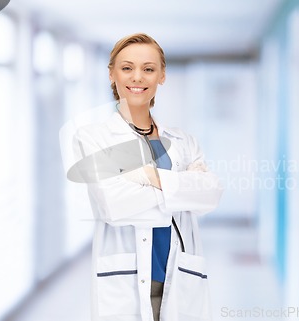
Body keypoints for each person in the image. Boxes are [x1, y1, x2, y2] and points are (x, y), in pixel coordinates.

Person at [70, 33, 223, 321]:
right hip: (125, 280)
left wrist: (149, 177)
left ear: (162, 75)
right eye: (127, 68)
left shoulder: (182, 141)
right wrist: (182, 189)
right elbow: (113, 205)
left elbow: (210, 194)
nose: (137, 77)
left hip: (179, 275)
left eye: (149, 69)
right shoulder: (94, 138)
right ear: (112, 74)